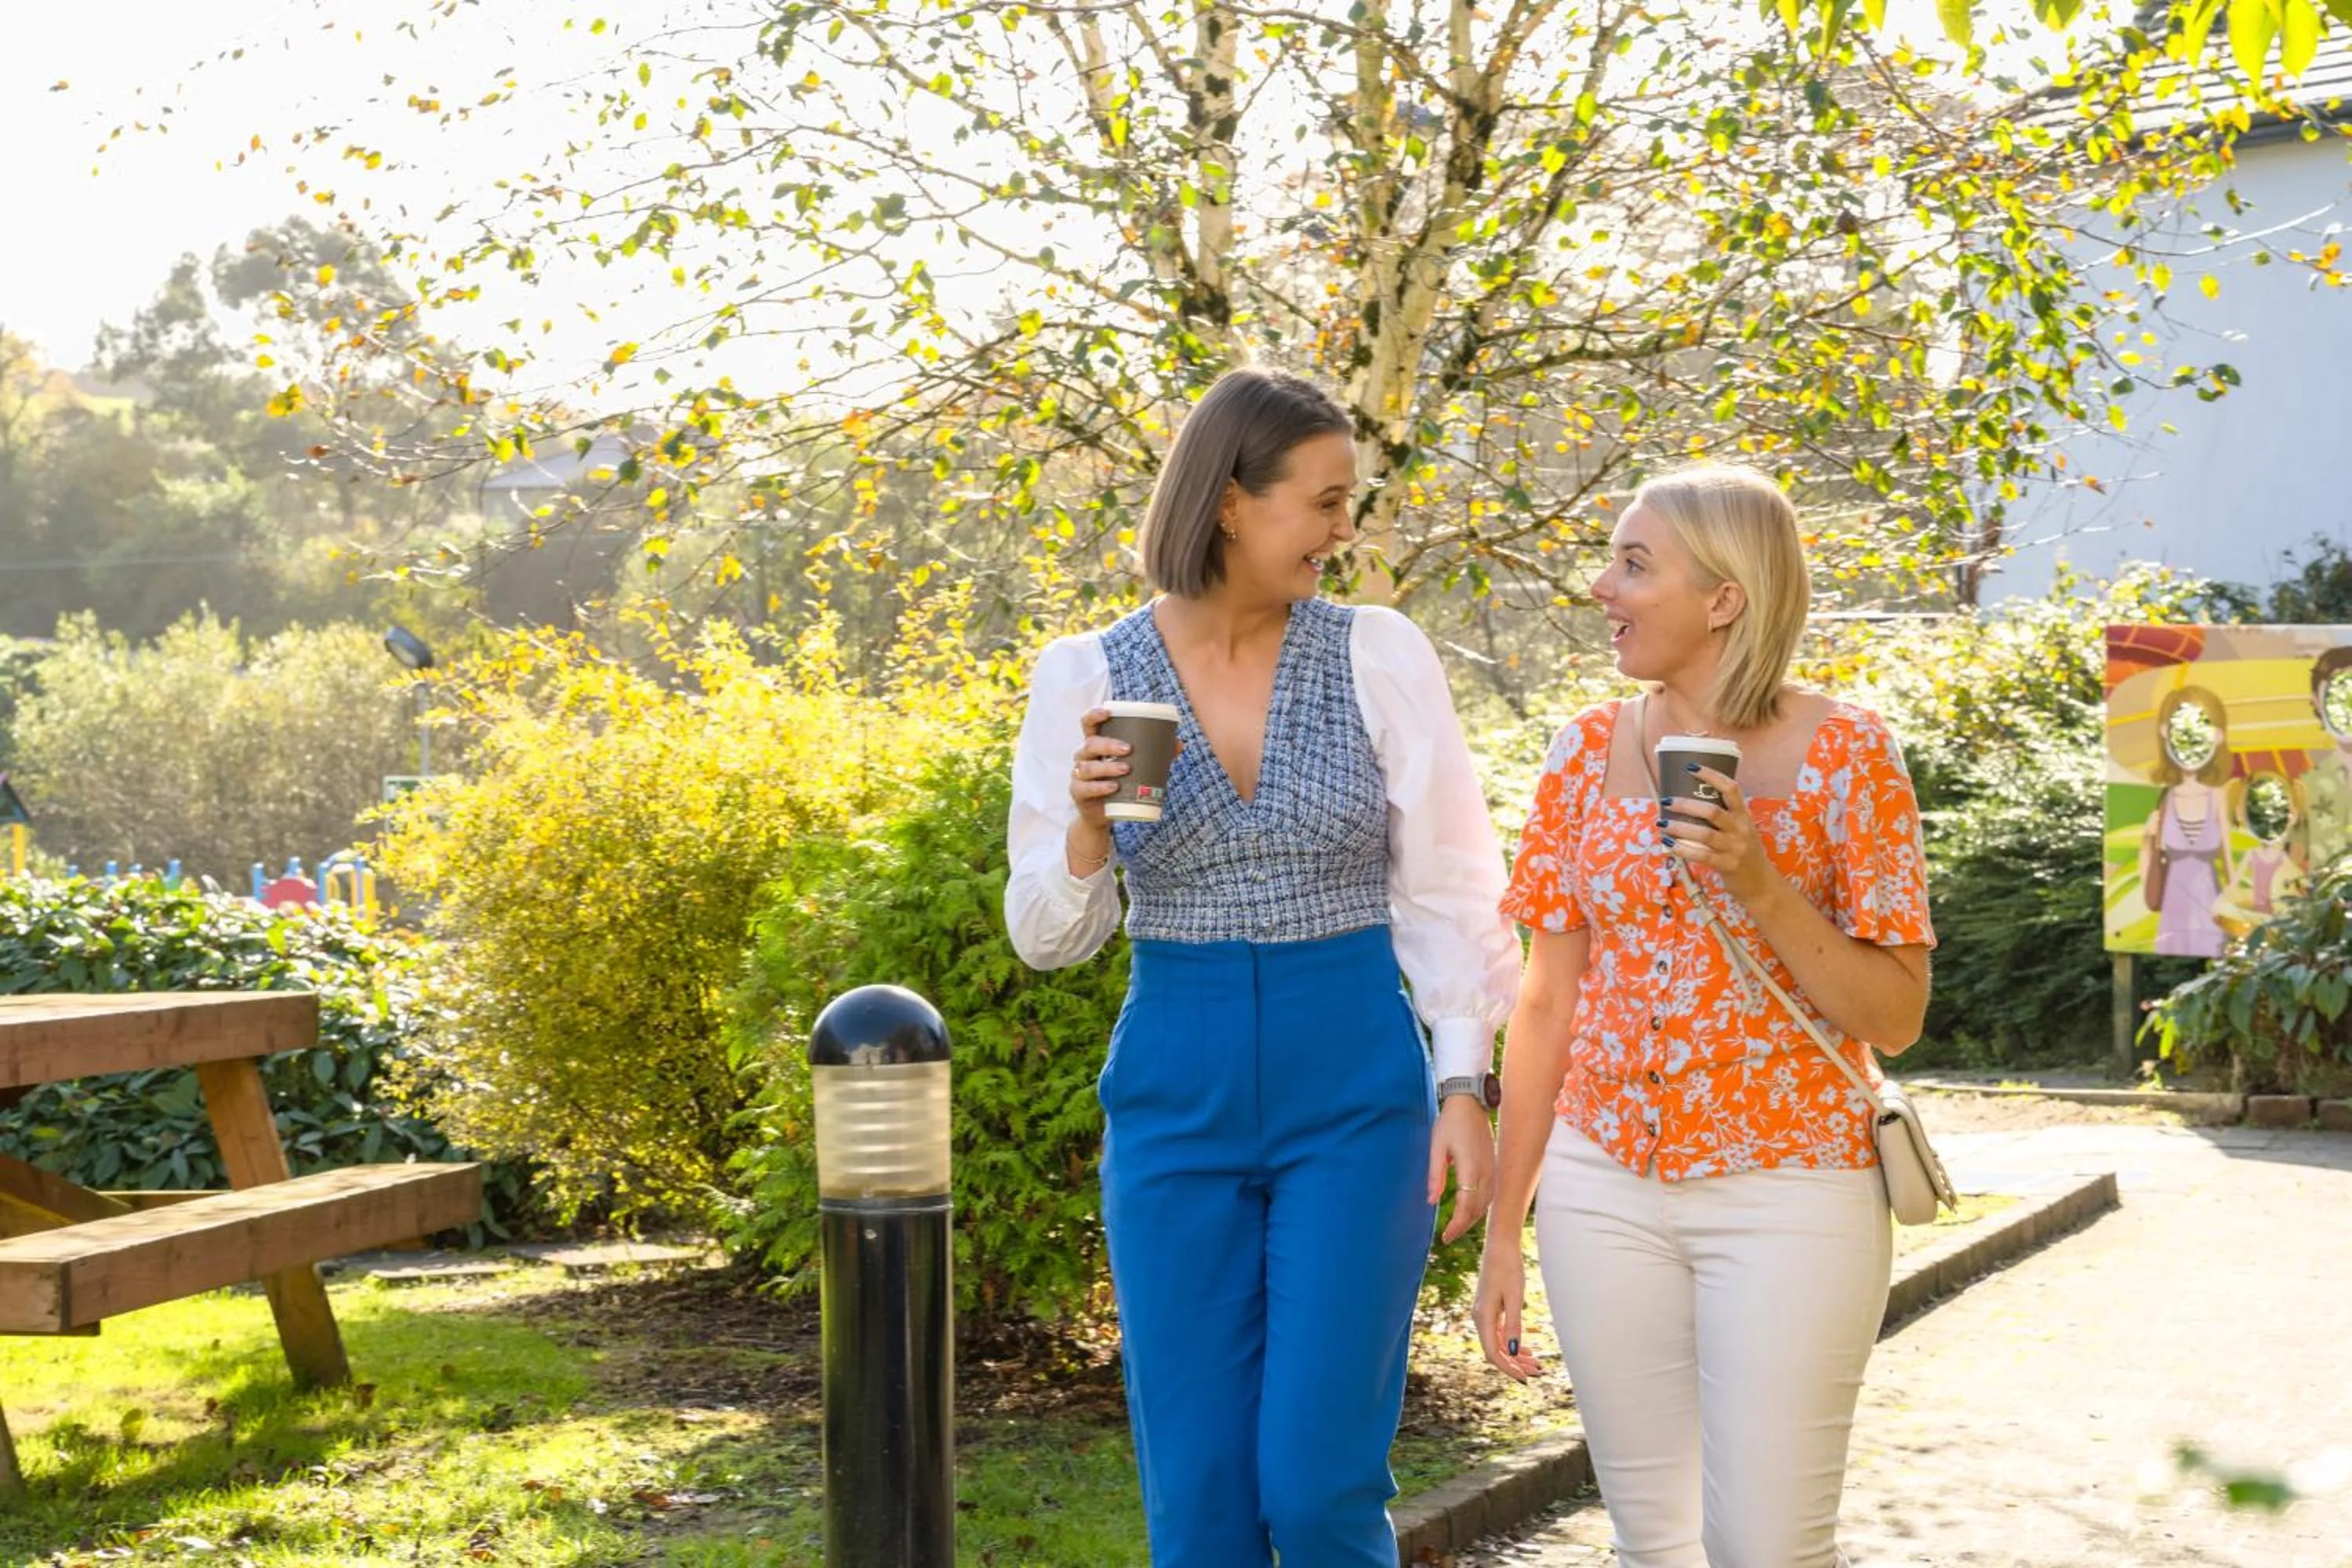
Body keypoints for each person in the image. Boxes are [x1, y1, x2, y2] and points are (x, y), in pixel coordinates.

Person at [1003, 366, 1521, 1568]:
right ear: (1232, 502)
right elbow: (1046, 934)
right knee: (1200, 1503)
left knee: (1318, 1486)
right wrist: (1086, 832)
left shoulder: (1376, 654)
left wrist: (1463, 1084)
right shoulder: (1088, 675)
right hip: (1174, 1086)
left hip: (1353, 1086)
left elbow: (1450, 886)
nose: (1344, 532)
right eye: (1325, 503)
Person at [1471, 464, 1934, 1568]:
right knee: (1655, 1542)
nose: (1602, 587)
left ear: (1725, 597)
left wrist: (1758, 878)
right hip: (1601, 1189)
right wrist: (1505, 1229)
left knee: (1767, 1548)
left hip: (1795, 1190)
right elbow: (1547, 1000)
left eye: (1635, 565)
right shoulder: (1583, 751)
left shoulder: (1851, 752)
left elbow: (1899, 1014)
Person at [2138, 686, 2234, 958]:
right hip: (2174, 908)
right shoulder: (2165, 799)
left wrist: (2237, 904)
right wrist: (2148, 836)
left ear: (2217, 737)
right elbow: (2148, 860)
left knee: (2218, 963)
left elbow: (2228, 862)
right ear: (2165, 733)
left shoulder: (2217, 797)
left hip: (2211, 905)